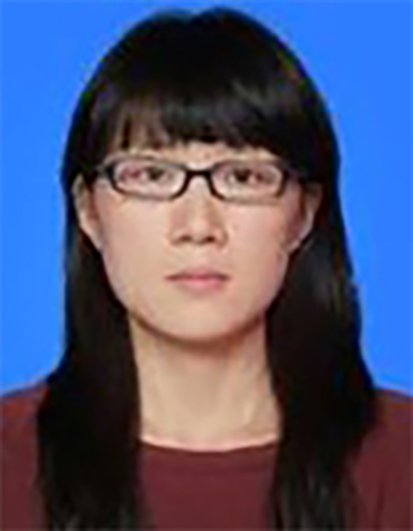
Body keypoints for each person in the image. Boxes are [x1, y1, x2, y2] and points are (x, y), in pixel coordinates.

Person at [1, 6, 411, 530]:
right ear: (88, 211)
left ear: (305, 213)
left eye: (243, 177)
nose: (197, 225)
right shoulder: (9, 462)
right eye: (151, 174)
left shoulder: (402, 458)